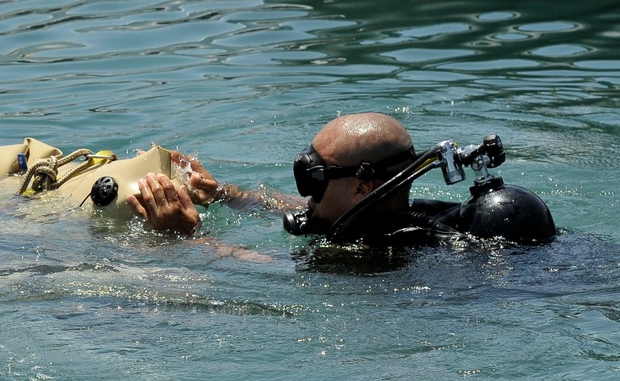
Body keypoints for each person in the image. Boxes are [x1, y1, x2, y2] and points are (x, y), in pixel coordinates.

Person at [130, 113, 556, 246]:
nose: (305, 192)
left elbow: (261, 271)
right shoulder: (402, 212)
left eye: (312, 178)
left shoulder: (379, 255)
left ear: (362, 187)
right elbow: (306, 211)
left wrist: (188, 237)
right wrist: (224, 194)